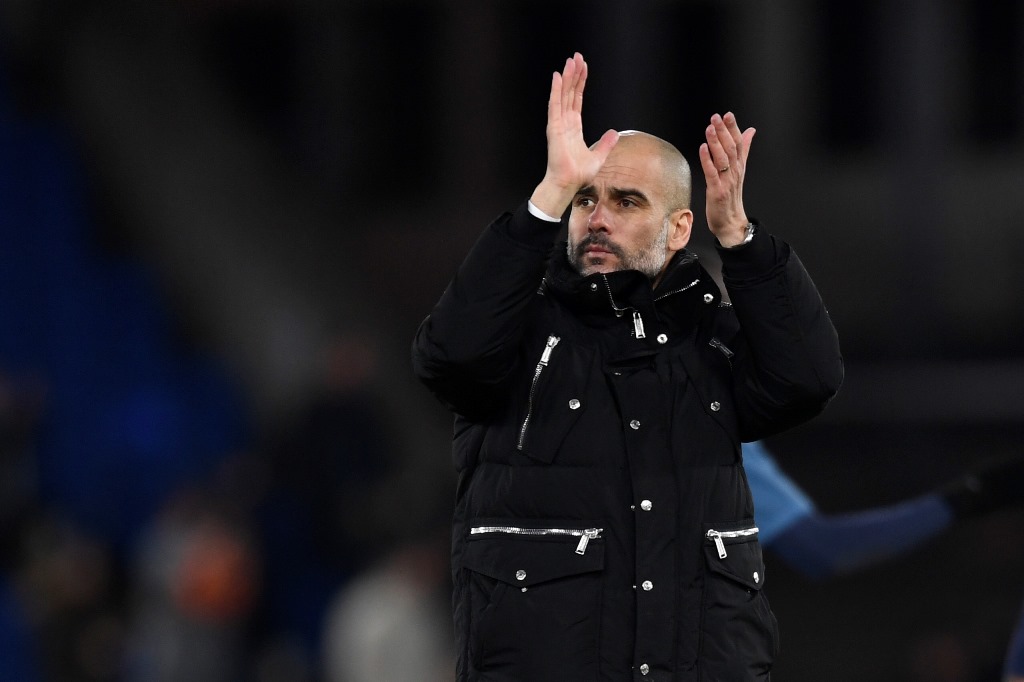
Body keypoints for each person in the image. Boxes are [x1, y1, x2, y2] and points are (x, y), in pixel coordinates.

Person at [411, 52, 843, 681]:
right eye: (584, 199)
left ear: (679, 228)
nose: (598, 218)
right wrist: (547, 196)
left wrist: (739, 238)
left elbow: (808, 379)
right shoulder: (519, 333)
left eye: (627, 201)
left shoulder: (710, 340)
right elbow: (448, 357)